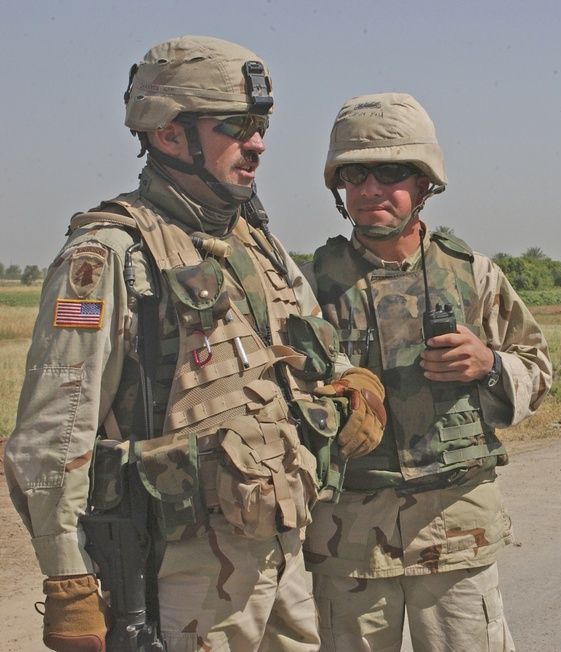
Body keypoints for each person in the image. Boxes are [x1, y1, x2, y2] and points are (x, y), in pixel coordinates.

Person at [4, 36, 385, 652]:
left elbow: (315, 346)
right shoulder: (109, 255)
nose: (258, 142)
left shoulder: (256, 243)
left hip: (281, 552)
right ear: (169, 135)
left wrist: (350, 383)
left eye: (261, 124)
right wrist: (69, 580)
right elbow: (55, 434)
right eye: (237, 125)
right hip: (178, 574)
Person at [302, 92, 552, 652]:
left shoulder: (473, 276)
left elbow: (538, 368)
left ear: (423, 184)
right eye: (354, 175)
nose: (370, 189)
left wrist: (490, 366)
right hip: (349, 539)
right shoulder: (309, 287)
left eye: (390, 172)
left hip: (454, 530)